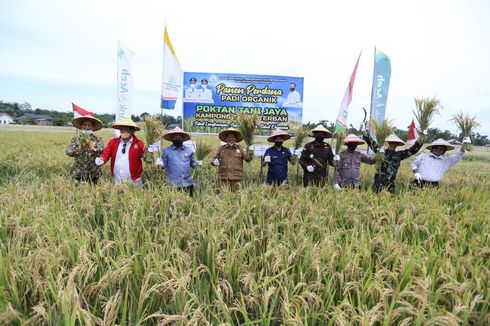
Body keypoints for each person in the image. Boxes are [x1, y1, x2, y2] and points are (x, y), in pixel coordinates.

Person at [95, 118, 146, 186]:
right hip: (117, 179)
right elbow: (106, 153)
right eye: (122, 129)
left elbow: (145, 157)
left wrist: (149, 153)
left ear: (132, 130)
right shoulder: (113, 142)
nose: (123, 130)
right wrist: (101, 159)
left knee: (135, 196)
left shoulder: (139, 144)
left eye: (127, 129)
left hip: (134, 180)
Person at [156, 127, 201, 196]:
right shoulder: (166, 151)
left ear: (183, 139)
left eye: (179, 138)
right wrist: (159, 163)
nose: (177, 139)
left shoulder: (189, 150)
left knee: (189, 204)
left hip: (187, 183)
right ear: (172, 139)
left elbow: (193, 165)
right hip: (172, 184)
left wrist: (199, 163)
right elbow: (163, 166)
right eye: (175, 138)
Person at [66, 114, 105, 183]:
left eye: (89, 125)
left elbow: (102, 150)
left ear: (93, 127)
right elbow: (68, 151)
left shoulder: (98, 139)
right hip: (78, 172)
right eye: (84, 125)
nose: (86, 127)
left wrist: (94, 150)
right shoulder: (75, 139)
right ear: (81, 126)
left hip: (94, 173)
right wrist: (75, 151)